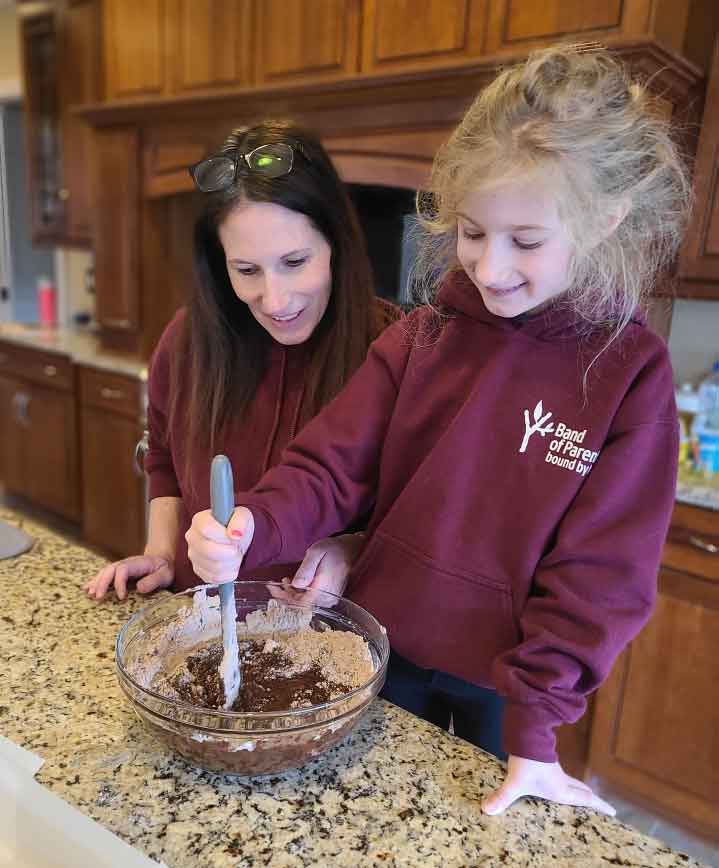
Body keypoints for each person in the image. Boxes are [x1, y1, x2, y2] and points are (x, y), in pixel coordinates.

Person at [184, 46, 689, 816]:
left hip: (509, 686)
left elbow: (601, 573)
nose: (489, 268)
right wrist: (254, 521)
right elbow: (327, 466)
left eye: (524, 241)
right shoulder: (422, 339)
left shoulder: (628, 376)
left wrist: (537, 730)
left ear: (605, 222)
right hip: (377, 649)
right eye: (472, 232)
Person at [85, 120, 399, 600]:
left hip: (327, 637)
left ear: (337, 244)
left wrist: (351, 551)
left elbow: (412, 515)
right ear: (218, 262)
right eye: (247, 270)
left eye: (295, 262)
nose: (274, 300)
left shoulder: (392, 349)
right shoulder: (188, 341)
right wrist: (163, 554)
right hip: (204, 620)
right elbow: (165, 457)